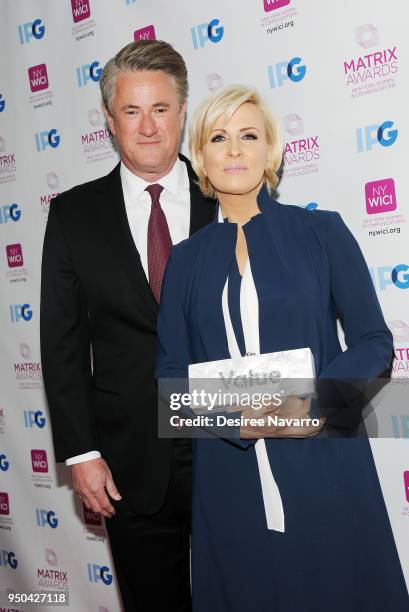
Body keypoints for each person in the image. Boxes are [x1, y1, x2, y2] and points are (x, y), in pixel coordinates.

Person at [156, 85, 409, 611]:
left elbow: (373, 340)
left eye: (249, 135)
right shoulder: (183, 261)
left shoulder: (321, 232)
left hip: (324, 463)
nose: (234, 150)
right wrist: (234, 423)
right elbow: (170, 383)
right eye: (218, 138)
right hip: (229, 479)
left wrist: (313, 403)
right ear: (200, 155)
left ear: (270, 150)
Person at [40, 40, 215, 611]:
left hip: (230, 447)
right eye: (132, 111)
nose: (147, 127)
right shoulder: (73, 215)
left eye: (160, 109)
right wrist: (81, 454)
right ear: (110, 119)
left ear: (182, 113)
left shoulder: (229, 199)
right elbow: (62, 346)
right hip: (129, 462)